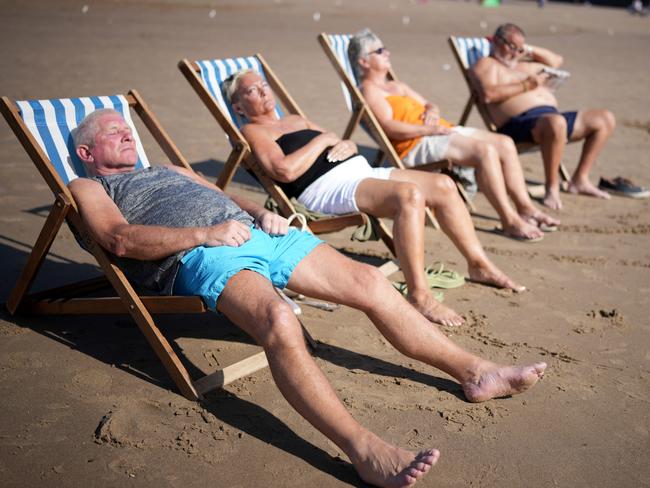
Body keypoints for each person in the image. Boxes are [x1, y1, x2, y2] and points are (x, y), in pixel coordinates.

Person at [69, 108, 547, 487]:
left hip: (254, 232)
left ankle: (476, 372)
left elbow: (229, 197)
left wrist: (263, 212)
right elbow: (120, 240)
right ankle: (363, 450)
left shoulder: (171, 168)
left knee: (370, 282)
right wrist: (205, 234)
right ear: (88, 151)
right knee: (279, 319)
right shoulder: (88, 186)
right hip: (202, 253)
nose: (127, 133)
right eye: (114, 132)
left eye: (127, 127)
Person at [223, 69, 528, 329]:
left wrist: (343, 144)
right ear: (238, 107)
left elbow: (339, 140)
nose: (263, 91)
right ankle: (419, 295)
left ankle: (479, 264)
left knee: (444, 185)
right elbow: (283, 169)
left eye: (264, 84)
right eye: (253, 90)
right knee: (408, 196)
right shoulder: (253, 131)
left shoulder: (295, 118)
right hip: (325, 187)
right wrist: (326, 141)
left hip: (358, 170)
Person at [348, 28, 560, 238]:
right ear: (363, 62)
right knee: (484, 151)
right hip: (416, 143)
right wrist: (429, 129)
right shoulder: (369, 91)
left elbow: (431, 104)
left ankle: (526, 208)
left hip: (440, 131)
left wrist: (432, 110)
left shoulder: (397, 86)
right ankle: (509, 220)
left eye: (385, 49)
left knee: (504, 143)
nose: (387, 53)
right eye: (379, 51)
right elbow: (388, 127)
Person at [470, 23, 616, 210]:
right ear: (497, 41)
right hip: (519, 123)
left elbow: (556, 61)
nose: (515, 53)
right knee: (556, 123)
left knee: (604, 118)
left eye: (519, 48)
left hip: (551, 118)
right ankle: (552, 188)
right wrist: (526, 86)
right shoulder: (487, 64)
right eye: (511, 47)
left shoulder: (525, 64)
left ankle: (580, 179)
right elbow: (488, 94)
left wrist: (526, 49)